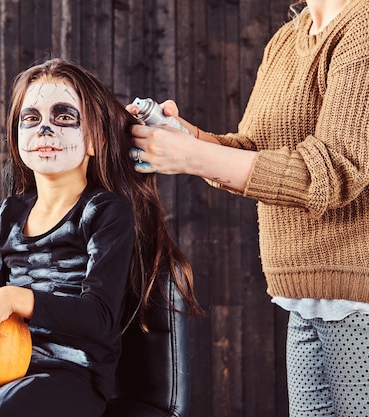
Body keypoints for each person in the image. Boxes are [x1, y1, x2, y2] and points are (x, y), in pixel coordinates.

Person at [0, 58, 201, 417]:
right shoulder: (8, 213)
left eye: (63, 118)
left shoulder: (106, 211)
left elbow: (101, 317)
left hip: (72, 375)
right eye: (31, 119)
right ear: (16, 136)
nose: (44, 130)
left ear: (95, 140)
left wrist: (16, 298)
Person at [127, 0, 369, 416]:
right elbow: (258, 153)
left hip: (358, 301)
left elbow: (331, 171)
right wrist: (191, 138)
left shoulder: (363, 26)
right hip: (304, 297)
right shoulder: (288, 38)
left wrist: (191, 156)